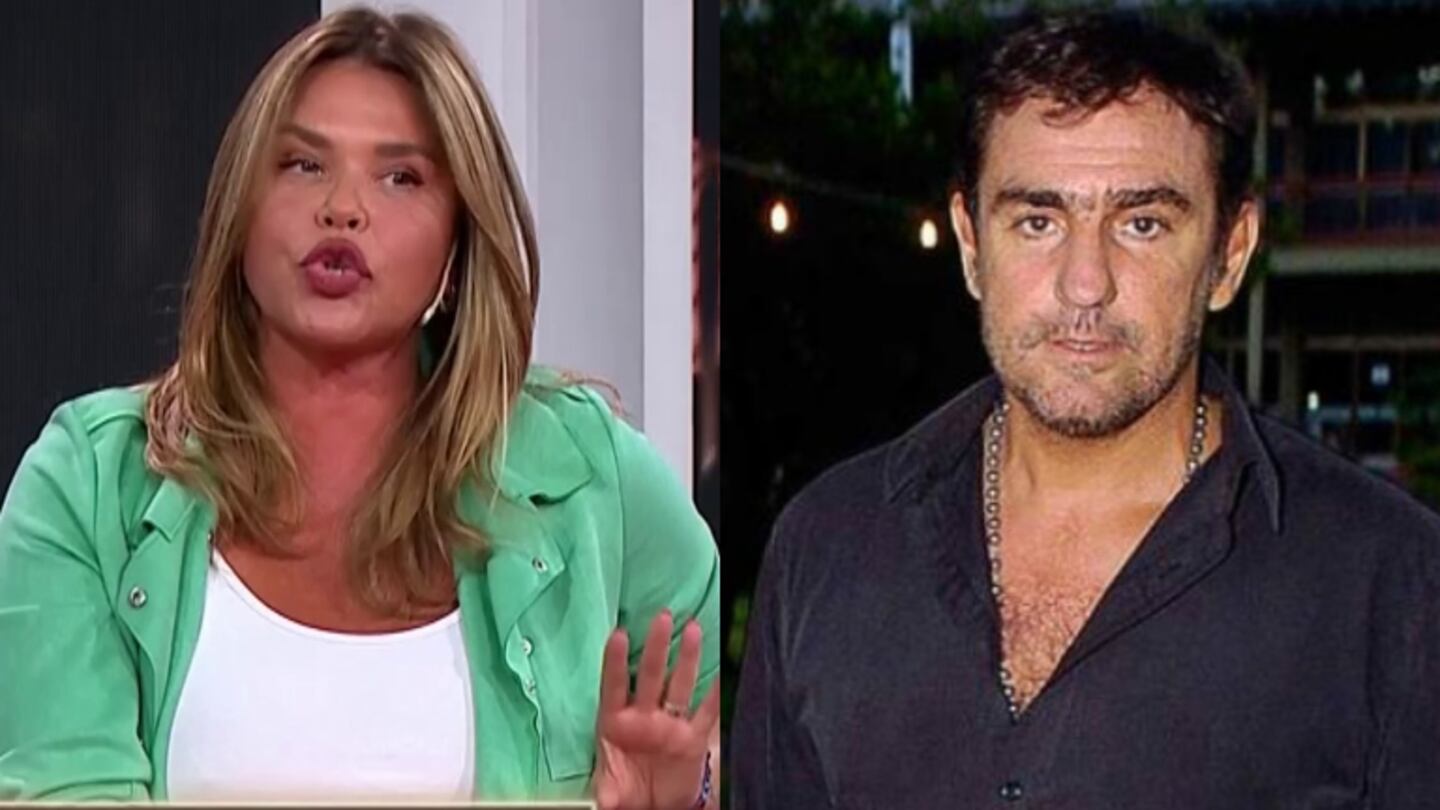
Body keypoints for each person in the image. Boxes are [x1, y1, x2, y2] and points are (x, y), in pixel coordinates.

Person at [0, 7, 718, 808]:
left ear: (458, 240)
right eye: (303, 164)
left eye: (400, 177)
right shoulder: (88, 487)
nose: (342, 207)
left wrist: (686, 795)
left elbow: (724, 738)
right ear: (239, 210)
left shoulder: (589, 476)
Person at [732, 11, 1440, 809]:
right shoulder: (827, 547)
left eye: (1142, 224)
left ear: (1229, 254)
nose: (1085, 284)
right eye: (1038, 222)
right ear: (971, 244)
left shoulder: (1392, 585)